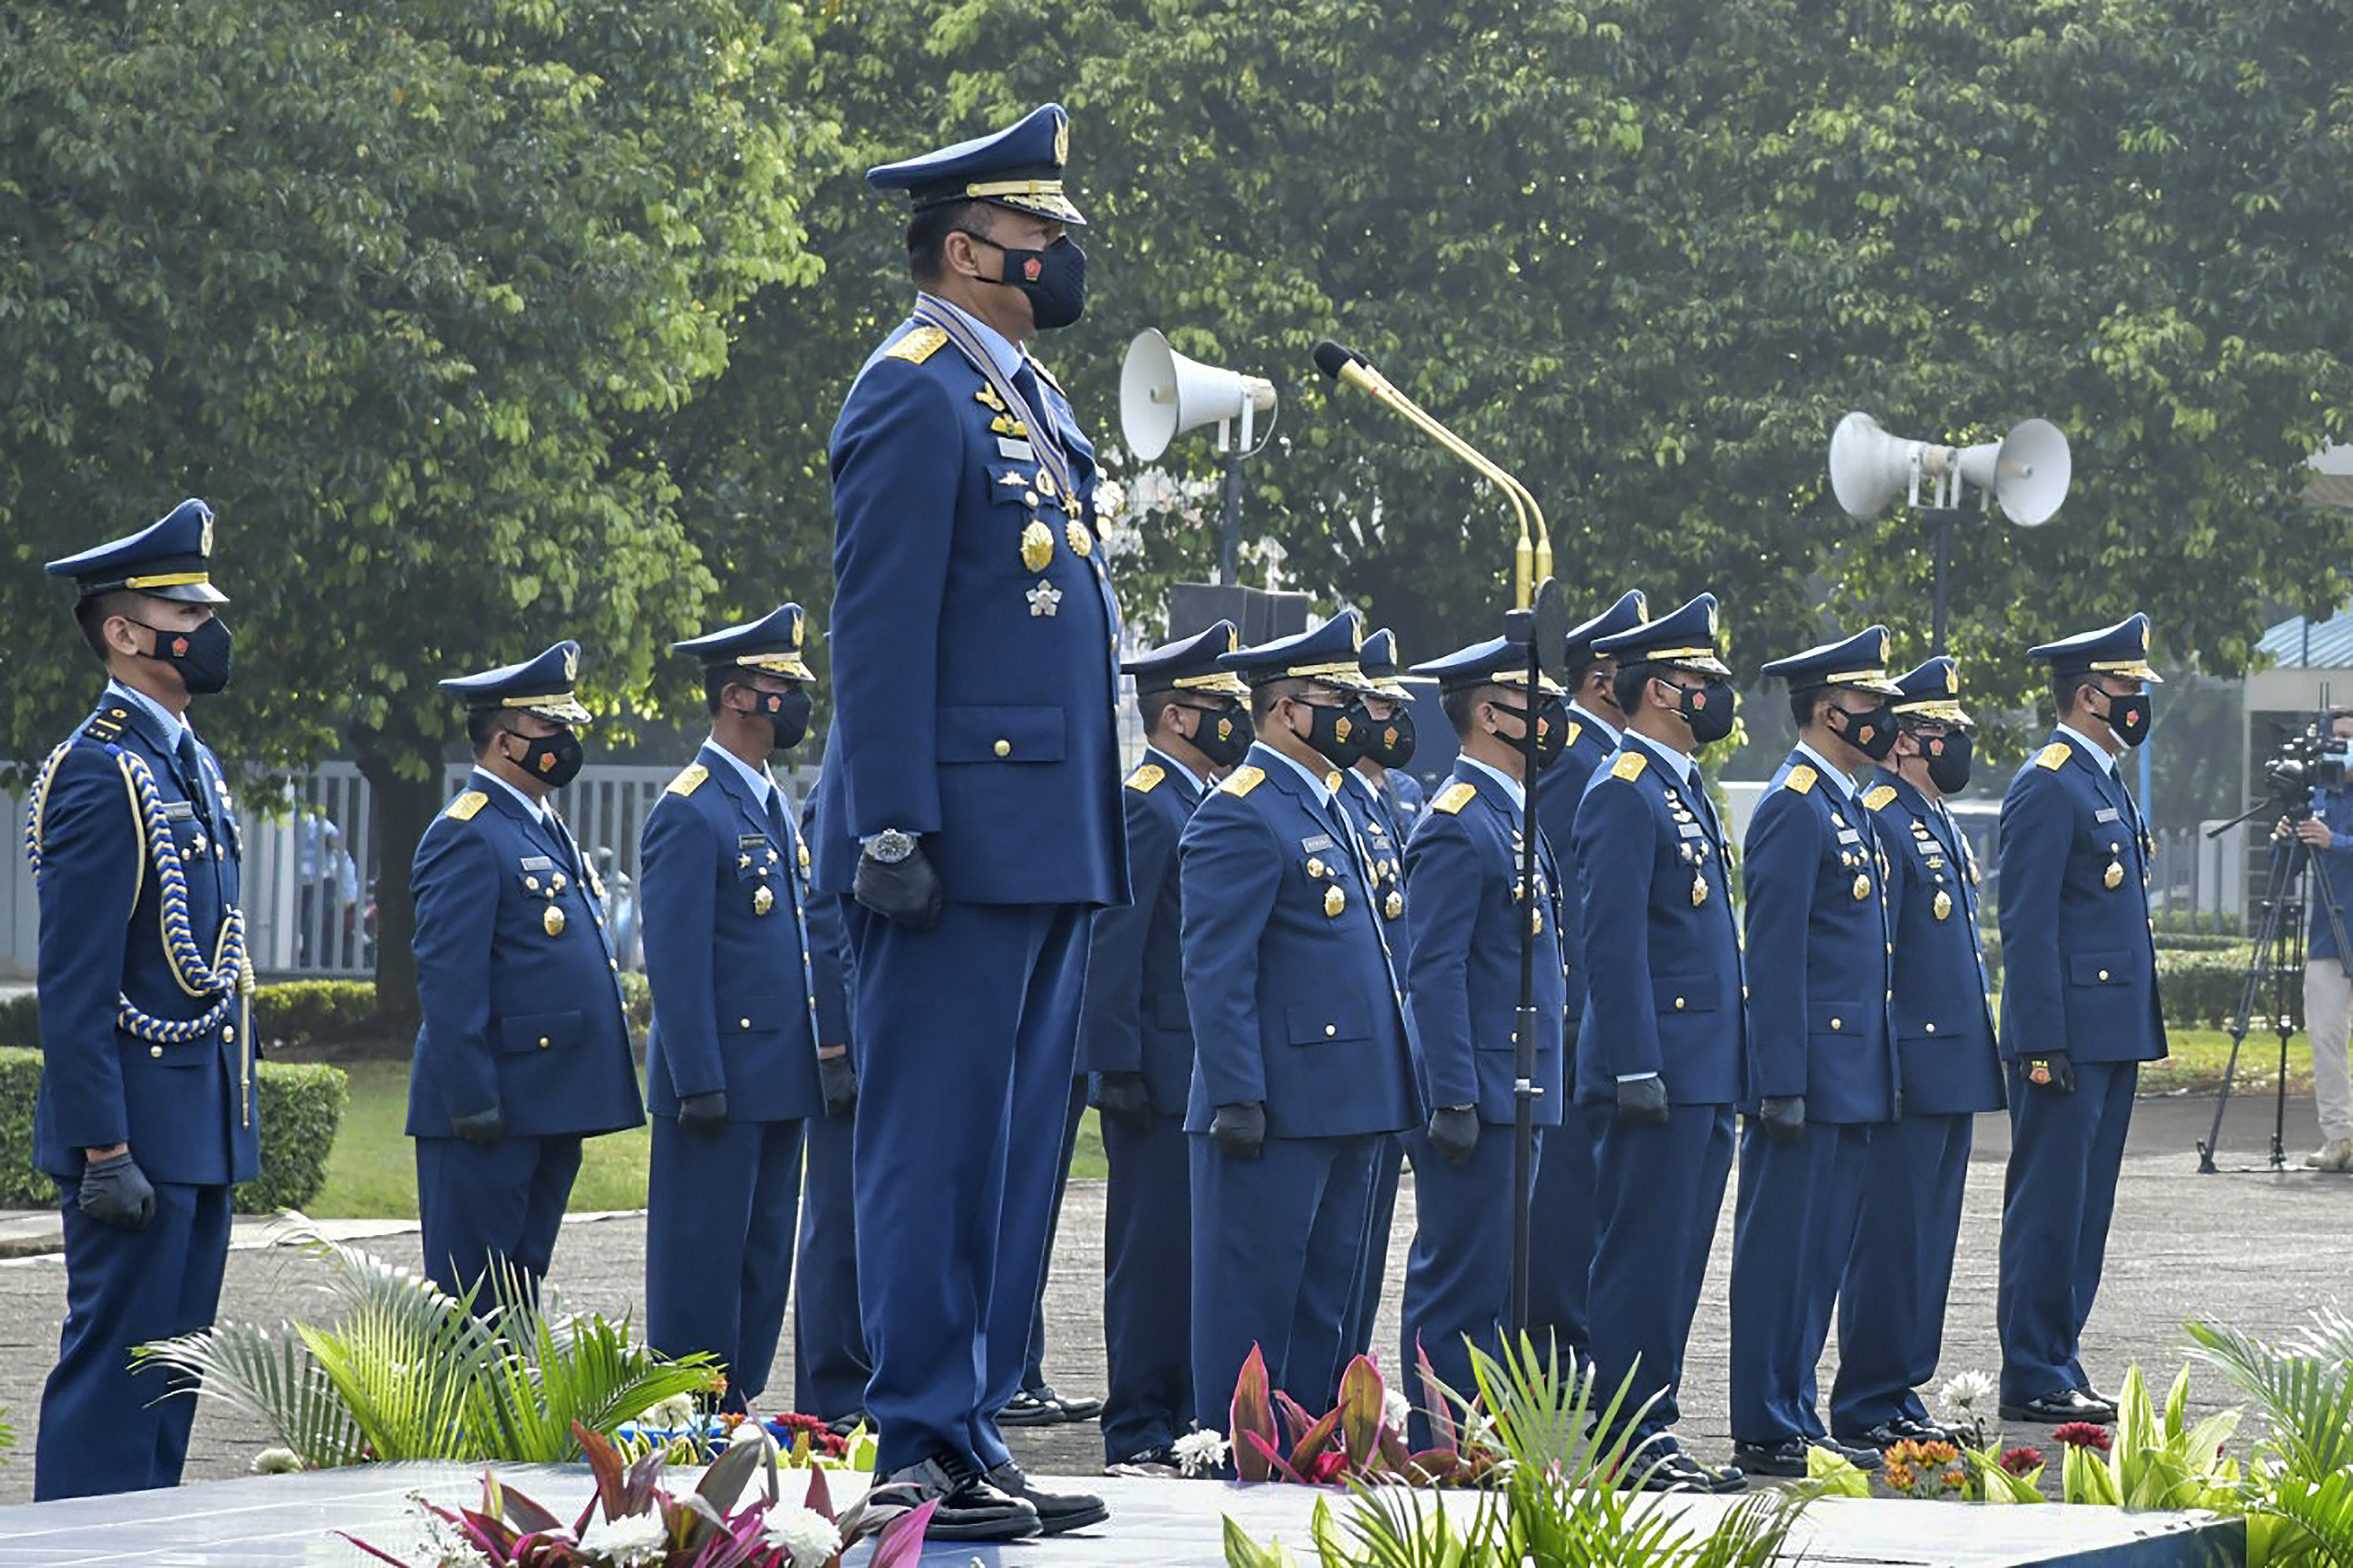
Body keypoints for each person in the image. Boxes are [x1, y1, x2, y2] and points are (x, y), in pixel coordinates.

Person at [811, 101, 1120, 1542]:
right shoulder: (912, 388)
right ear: (961, 246)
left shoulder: (1027, 402)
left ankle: (971, 1425)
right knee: (932, 1144)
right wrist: (889, 827)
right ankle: (914, 1440)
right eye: (1037, 233)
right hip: (944, 847)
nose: (1059, 254)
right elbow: (873, 634)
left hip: (1042, 838)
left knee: (1007, 1154)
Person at [29, 500, 254, 1500]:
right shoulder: (100, 770)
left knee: (169, 1392)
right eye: (186, 613)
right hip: (133, 1139)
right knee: (113, 1389)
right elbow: (75, 985)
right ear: (125, 632)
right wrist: (101, 1148)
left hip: (191, 1130)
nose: (209, 632)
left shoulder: (183, 764)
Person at [1183, 611, 1422, 1428]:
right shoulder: (1242, 809)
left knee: (1328, 1306)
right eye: (1337, 697)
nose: (1356, 713)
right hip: (1278, 1103)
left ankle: (1313, 1450)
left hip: (1355, 1093)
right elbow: (1217, 967)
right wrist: (1237, 1093)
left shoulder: (1342, 804)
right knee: (1254, 1306)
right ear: (1287, 709)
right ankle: (1239, 1457)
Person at [640, 605, 854, 1411]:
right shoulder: (691, 808)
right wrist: (697, 1075)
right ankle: (689, 1411)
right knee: (704, 1256)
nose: (796, 699)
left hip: (777, 1076)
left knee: (763, 1257)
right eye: (780, 684)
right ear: (737, 694)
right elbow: (678, 957)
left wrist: (822, 1051)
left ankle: (737, 1404)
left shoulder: (767, 800)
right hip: (720, 1081)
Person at [407, 641, 643, 1304]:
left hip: (545, 1103)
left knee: (516, 1291)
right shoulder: (468, 831)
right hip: (492, 1109)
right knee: (471, 1305)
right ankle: (466, 1413)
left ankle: (505, 1412)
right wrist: (473, 1098)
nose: (565, 742)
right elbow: (449, 980)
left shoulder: (539, 824)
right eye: (550, 728)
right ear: (505, 739)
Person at [1572, 592, 1746, 1493]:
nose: (1717, 695)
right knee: (1641, 1254)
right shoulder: (1623, 788)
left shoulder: (1683, 784)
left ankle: (1657, 1421)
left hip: (1703, 1070)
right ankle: (1627, 1432)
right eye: (1701, 681)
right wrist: (1635, 1062)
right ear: (1659, 691)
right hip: (1654, 1070)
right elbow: (1612, 943)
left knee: (1677, 1256)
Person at [1728, 628, 1902, 1478]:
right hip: (1808, 1078)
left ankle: (1793, 1405)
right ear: (1831, 710)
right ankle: (1763, 1418)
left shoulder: (1843, 803)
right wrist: (1780, 1080)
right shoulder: (1794, 804)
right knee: (1782, 1253)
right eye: (1871, 702)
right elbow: (1776, 954)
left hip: (1849, 1073)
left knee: (1821, 1253)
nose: (1886, 716)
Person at [1080, 619, 1251, 1474]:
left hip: (1192, 1069)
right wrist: (1116, 1064)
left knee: (1191, 1251)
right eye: (1222, 707)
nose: (1236, 721)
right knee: (1151, 1256)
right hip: (1155, 1071)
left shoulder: (1199, 798)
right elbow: (1114, 943)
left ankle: (1182, 1408)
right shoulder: (1148, 801)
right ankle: (1140, 1418)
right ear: (1179, 716)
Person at [1995, 614, 2168, 1426]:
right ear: (2090, 694)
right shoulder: (2050, 780)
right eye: (2128, 689)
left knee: (2087, 1208)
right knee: (2051, 1205)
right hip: (2063, 1039)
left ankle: (2058, 1354)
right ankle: (2030, 1365)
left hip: (2109, 1031)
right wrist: (2039, 1042)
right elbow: (2026, 924)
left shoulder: (2103, 778)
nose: (2138, 703)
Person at [1395, 634, 1567, 1444]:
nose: (1550, 720)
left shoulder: (1510, 809)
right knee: (1459, 1279)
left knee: (1499, 1283)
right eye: (1534, 705)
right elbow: (1434, 970)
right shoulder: (1458, 822)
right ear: (1490, 713)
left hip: (1519, 1087)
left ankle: (1479, 1434)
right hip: (1482, 1095)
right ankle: (1440, 1443)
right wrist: (1454, 1093)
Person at [1832, 656, 2005, 1448]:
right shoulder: (1881, 812)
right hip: (1906, 1062)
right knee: (1891, 1237)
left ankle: (1902, 1384)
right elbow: (1880, 958)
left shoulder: (1928, 812)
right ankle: (1868, 1394)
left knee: (1928, 1239)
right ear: (1905, 740)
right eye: (1942, 733)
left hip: (1949, 1062)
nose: (1955, 747)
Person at [1528, 588, 1646, 1361]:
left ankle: (1573, 1326)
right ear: (1604, 679)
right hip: (1572, 1003)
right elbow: (1570, 883)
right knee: (1567, 1194)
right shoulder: (1576, 759)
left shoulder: (1604, 757)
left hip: (1588, 1003)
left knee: (1587, 1190)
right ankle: (1556, 1332)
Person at [1338, 626, 1413, 1367]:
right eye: (1374, 706)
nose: (1392, 721)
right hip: (1337, 1055)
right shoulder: (1336, 803)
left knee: (1357, 1258)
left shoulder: (1399, 797)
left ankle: (1338, 1404)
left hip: (1388, 1053)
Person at [792, 769, 871, 1430]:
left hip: (890, 1033)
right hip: (851, 1040)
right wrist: (832, 1044)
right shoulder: (842, 786)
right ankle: (831, 1391)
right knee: (839, 1220)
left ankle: (864, 1383)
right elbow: (822, 917)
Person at [2282, 711, 2353, 1170]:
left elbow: (2335, 845)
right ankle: (2340, 1139)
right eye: (2339, 737)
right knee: (2326, 1038)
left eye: (2351, 737)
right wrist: (2285, 840)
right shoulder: (2316, 798)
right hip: (2329, 937)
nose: (2343, 744)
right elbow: (2285, 874)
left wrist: (2337, 842)